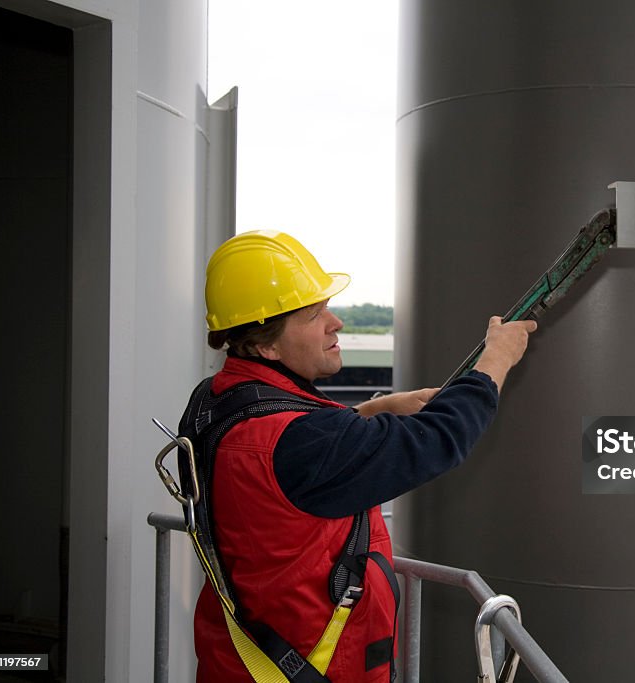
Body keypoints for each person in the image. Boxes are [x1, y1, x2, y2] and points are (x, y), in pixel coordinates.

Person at [189, 230, 536, 682]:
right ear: (265, 345)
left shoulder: (215, 401)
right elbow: (437, 439)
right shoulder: (303, 442)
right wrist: (495, 361)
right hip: (314, 668)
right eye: (314, 315)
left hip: (243, 662)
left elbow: (282, 458)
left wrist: (372, 410)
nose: (335, 323)